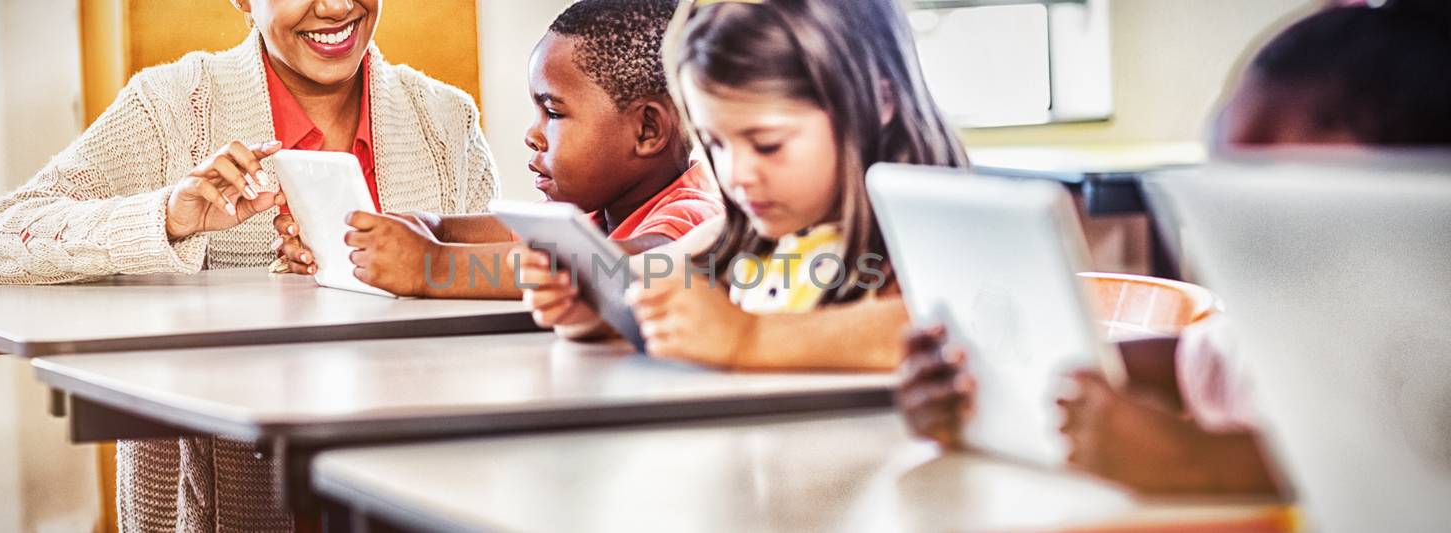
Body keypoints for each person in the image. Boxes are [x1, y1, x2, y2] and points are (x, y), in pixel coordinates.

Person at [0, 0, 496, 530]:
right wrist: (167, 218)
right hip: (223, 512)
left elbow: (504, 308)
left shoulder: (446, 120)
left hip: (411, 495)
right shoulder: (171, 107)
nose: (336, 6)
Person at [899, 0, 1451, 495]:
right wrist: (985, 380)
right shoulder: (1285, 328)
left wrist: (1200, 463)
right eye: (1220, 187)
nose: (1240, 237)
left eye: (1275, 199)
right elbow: (1183, 362)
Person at [520, 0, 968, 368]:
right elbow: (640, 283)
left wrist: (750, 337)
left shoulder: (929, 240)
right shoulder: (741, 234)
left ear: (879, 101)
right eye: (715, 143)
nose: (736, 174)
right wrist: (594, 310)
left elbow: (938, 327)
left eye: (767, 145)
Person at [327, 0, 723, 299]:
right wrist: (422, 228)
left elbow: (618, 267)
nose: (533, 134)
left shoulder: (694, 215)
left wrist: (434, 265)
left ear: (648, 130)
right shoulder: (599, 208)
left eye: (553, 112)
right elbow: (511, 234)